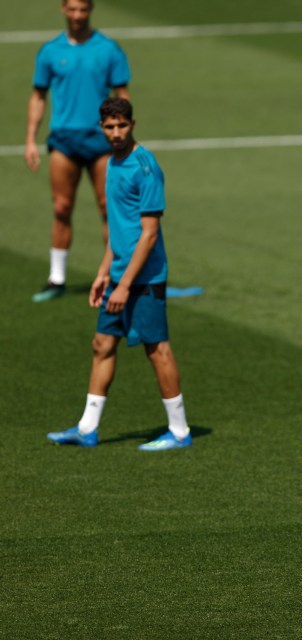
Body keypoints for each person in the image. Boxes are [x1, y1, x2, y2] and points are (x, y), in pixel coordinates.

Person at [47, 98, 190, 452]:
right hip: (118, 278)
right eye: (109, 127)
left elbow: (149, 233)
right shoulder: (111, 163)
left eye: (121, 126)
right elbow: (118, 228)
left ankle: (180, 431)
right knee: (102, 344)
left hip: (145, 280)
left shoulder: (145, 167)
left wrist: (125, 285)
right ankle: (87, 428)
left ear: (133, 124)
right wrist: (102, 273)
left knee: (157, 351)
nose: (115, 133)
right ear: (101, 128)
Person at [26, 0, 131, 302]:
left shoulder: (108, 49)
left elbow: (122, 96)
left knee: (107, 209)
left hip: (100, 142)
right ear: (63, 9)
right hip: (63, 140)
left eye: (82, 9)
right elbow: (38, 96)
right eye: (71, 9)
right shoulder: (50, 51)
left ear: (90, 10)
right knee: (61, 208)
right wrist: (31, 138)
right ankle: (56, 278)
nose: (77, 15)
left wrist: (124, 136)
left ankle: (118, 275)